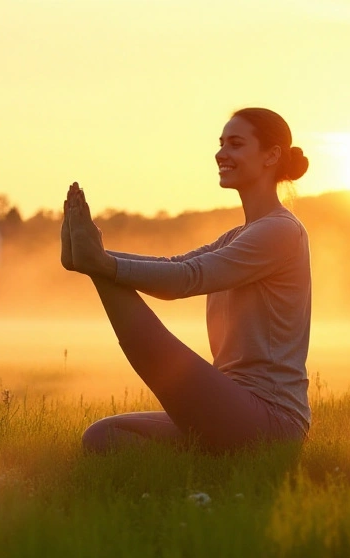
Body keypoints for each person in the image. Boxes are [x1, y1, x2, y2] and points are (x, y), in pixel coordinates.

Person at [64, 107, 312, 454]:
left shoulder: (281, 231)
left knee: (112, 284)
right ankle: (211, 469)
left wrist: (100, 263)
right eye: (221, 143)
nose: (221, 153)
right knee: (103, 436)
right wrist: (97, 255)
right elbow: (177, 263)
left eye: (236, 144)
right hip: (228, 407)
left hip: (271, 420)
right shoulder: (238, 236)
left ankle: (92, 265)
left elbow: (185, 279)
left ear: (271, 155)